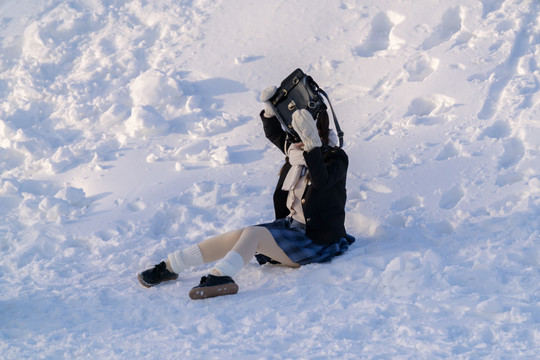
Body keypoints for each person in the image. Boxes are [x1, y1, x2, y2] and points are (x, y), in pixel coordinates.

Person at [138, 85, 355, 299]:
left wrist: (313, 146)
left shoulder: (336, 159)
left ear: (313, 129)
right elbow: (275, 134)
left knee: (254, 235)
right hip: (291, 228)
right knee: (242, 234)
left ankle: (222, 276)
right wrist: (271, 112)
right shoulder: (296, 152)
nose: (294, 137)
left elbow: (321, 180)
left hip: (316, 242)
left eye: (300, 130)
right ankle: (170, 266)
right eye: (294, 130)